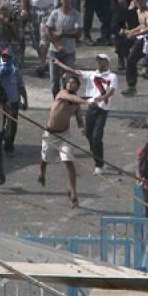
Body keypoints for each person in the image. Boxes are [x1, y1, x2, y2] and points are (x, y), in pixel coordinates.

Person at [38, 74, 87, 207]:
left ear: (78, 86)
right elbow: (70, 97)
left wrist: (82, 128)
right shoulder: (62, 93)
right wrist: (88, 100)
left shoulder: (76, 103)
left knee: (68, 162)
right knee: (45, 159)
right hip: (50, 134)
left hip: (64, 135)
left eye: (74, 83)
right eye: (69, 82)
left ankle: (73, 194)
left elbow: (79, 119)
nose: (70, 84)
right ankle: (42, 174)